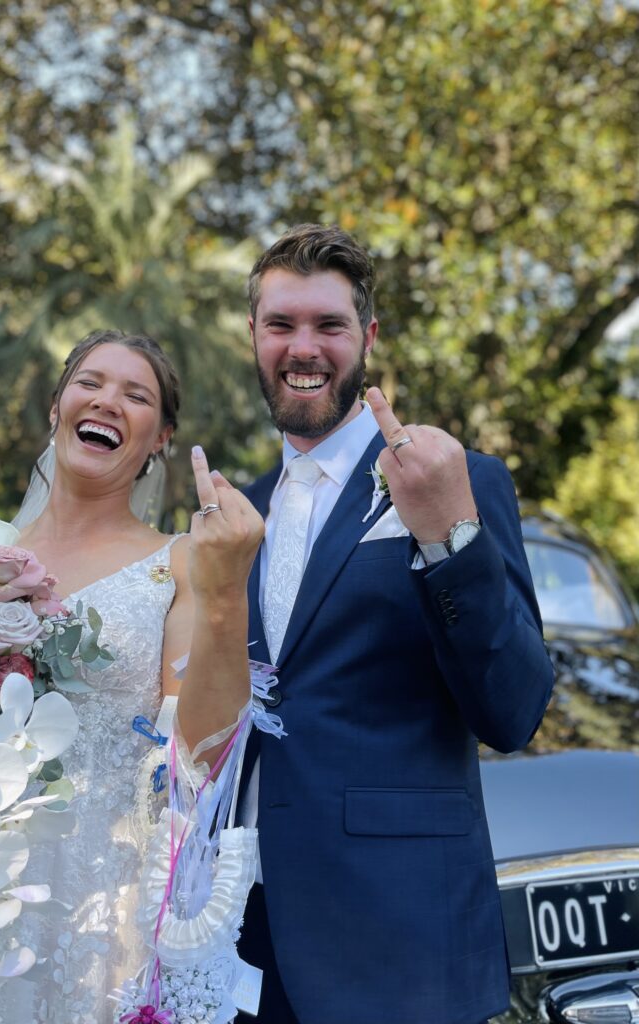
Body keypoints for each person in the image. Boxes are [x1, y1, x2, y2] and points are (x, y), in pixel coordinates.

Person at [0, 329, 263, 1024]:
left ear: (160, 438)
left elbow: (200, 749)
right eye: (90, 383)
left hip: (91, 896)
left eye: (135, 395)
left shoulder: (178, 565)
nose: (108, 401)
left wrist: (227, 587)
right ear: (57, 407)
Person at [235, 225, 555, 1024]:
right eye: (281, 325)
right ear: (253, 336)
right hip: (241, 946)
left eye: (329, 326)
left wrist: (449, 535)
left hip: (399, 947)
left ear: (367, 338)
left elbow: (514, 712)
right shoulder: (237, 509)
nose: (302, 347)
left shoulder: (460, 479)